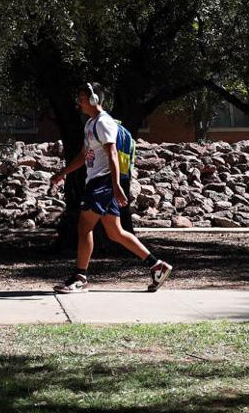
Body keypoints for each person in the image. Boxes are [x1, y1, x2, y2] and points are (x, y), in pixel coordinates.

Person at [48, 84, 173, 293]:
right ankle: (157, 266)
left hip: (103, 182)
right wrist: (63, 173)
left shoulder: (104, 123)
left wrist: (116, 186)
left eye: (81, 97)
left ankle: (80, 277)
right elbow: (82, 155)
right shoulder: (90, 124)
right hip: (100, 182)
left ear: (95, 99)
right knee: (115, 232)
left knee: (84, 226)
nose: (78, 101)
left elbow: (112, 154)